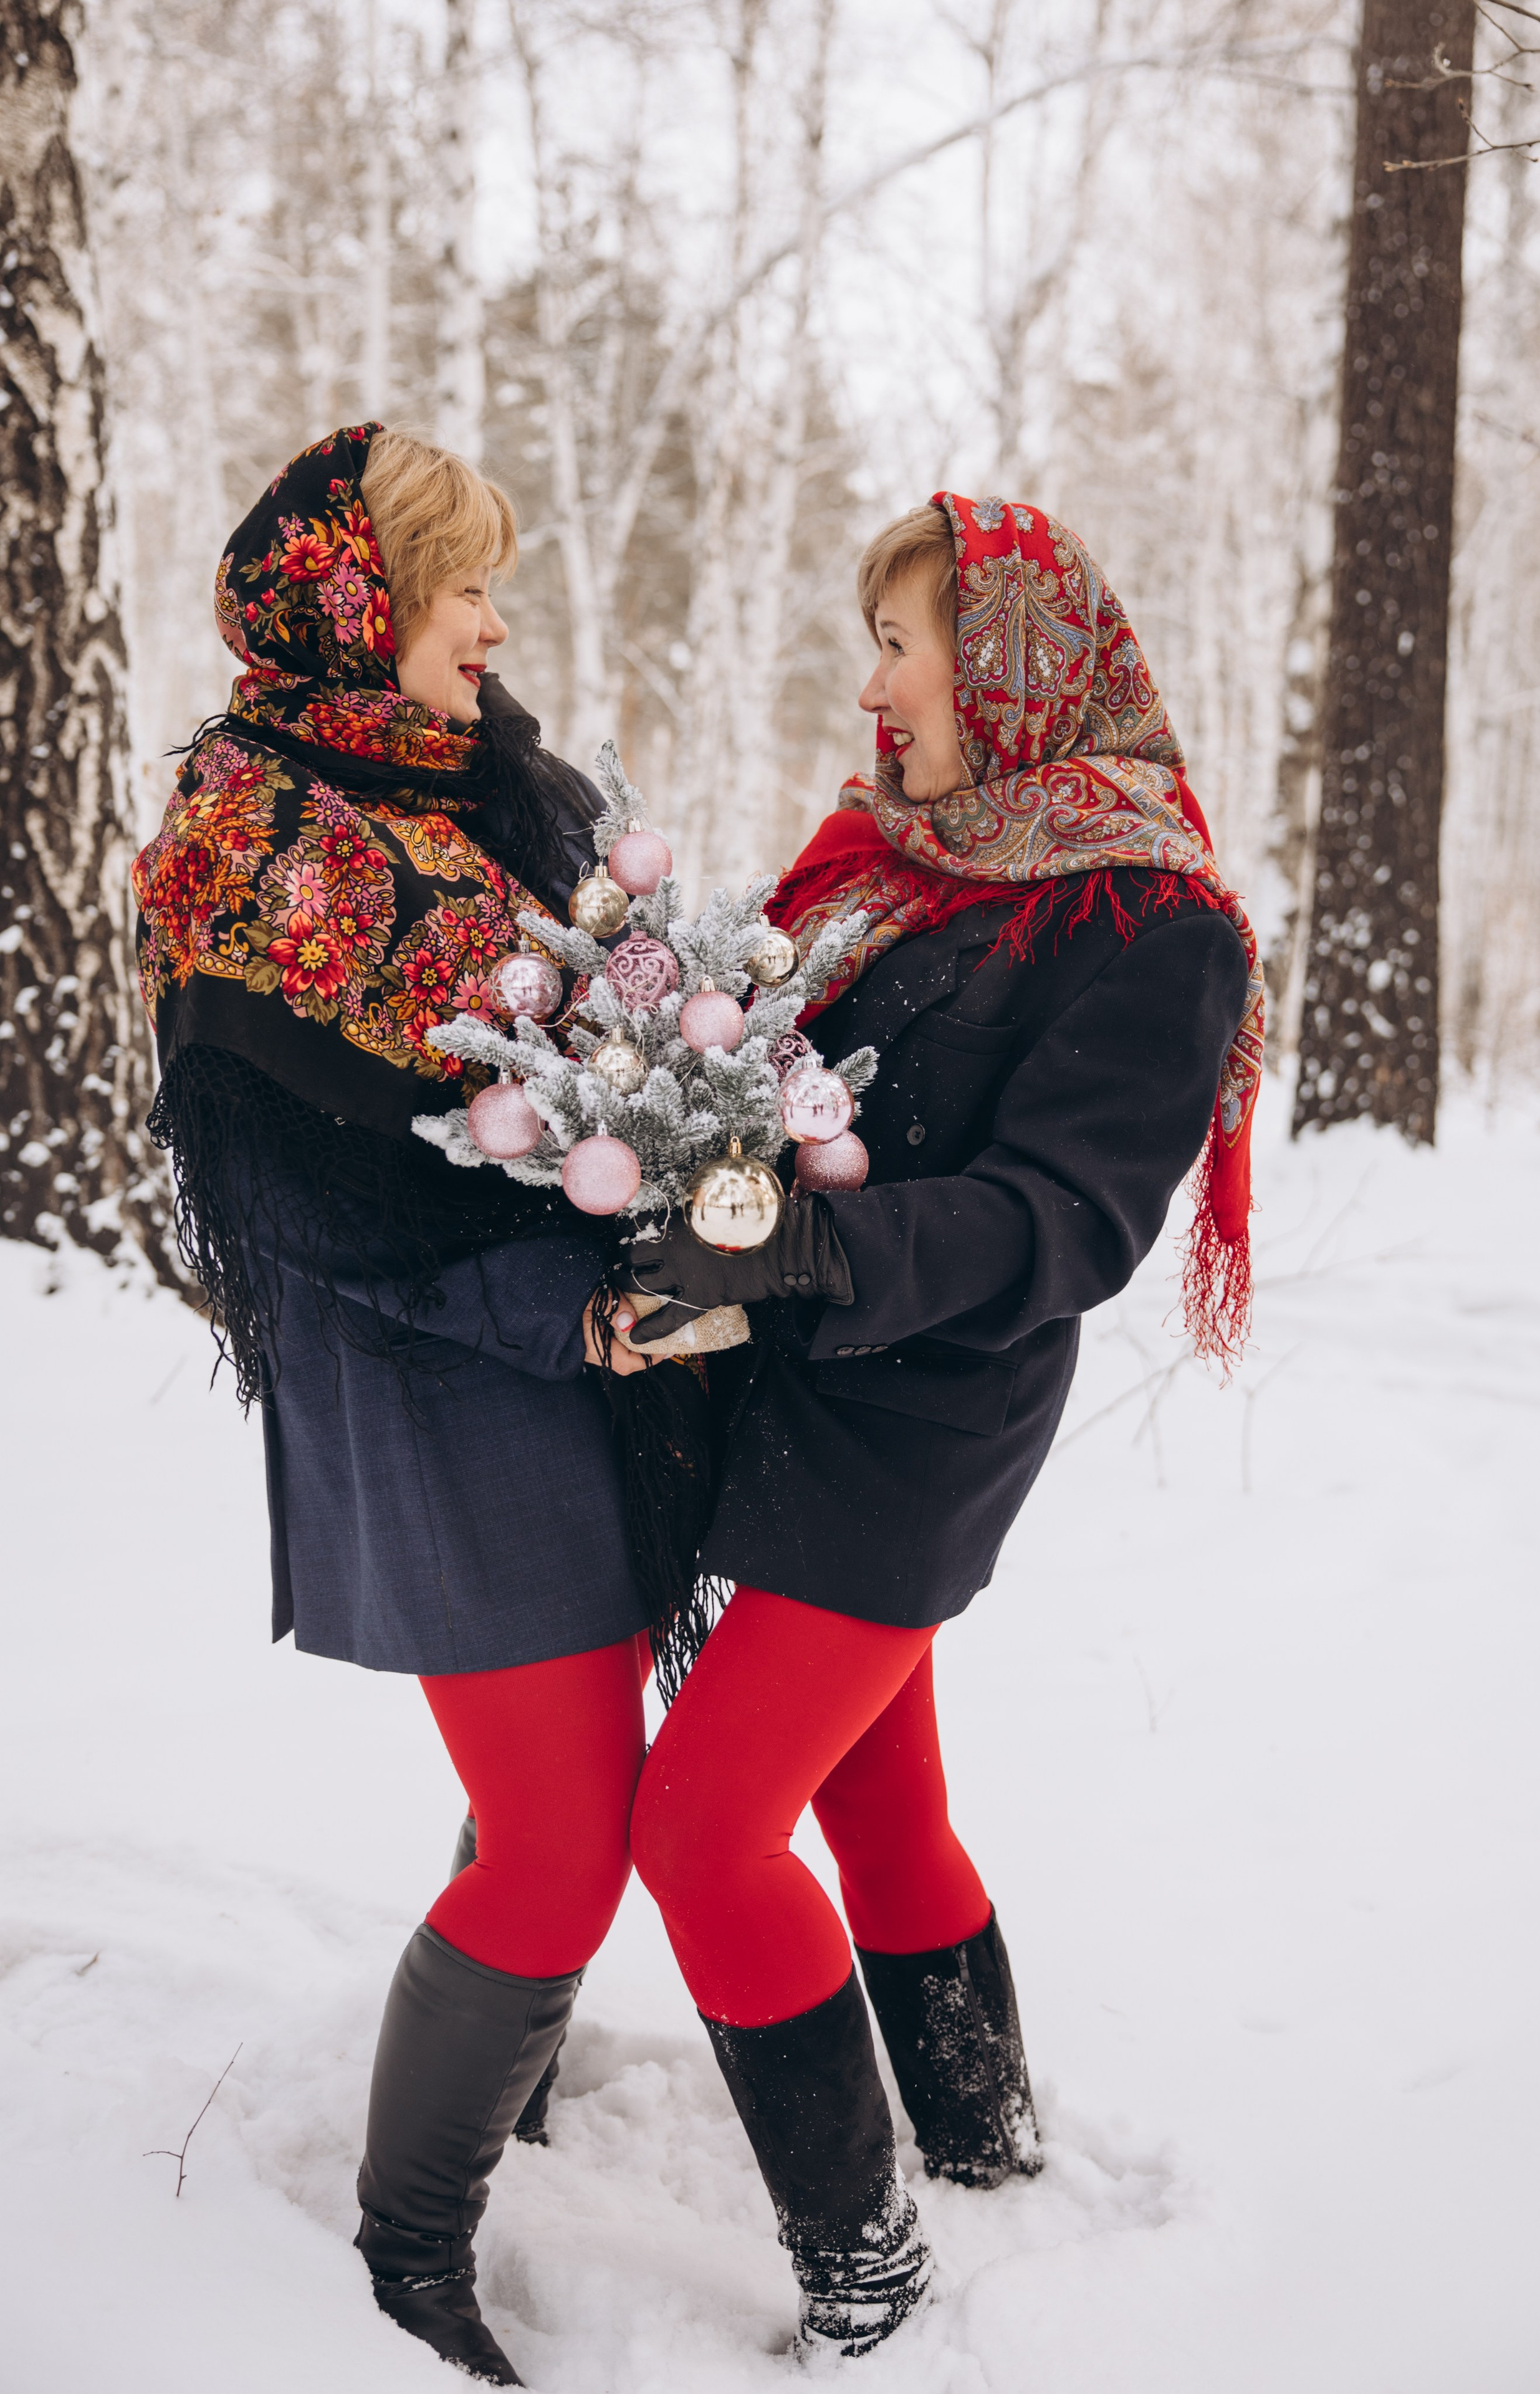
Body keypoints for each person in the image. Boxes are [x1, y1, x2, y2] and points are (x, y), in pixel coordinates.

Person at [622, 494, 1262, 2354]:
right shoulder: (891, 862)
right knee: (879, 1797)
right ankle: (985, 2139)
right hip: (780, 1386)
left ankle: (865, 2265)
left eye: (902, 644)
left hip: (920, 1430)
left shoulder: (1148, 921)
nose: (875, 684)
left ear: (1007, 667)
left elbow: (1069, 1218)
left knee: (704, 1833)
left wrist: (807, 1244)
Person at [132, 423, 653, 2388]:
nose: (495, 627)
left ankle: (508, 2073)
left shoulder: (498, 784)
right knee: (560, 1833)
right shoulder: (246, 834)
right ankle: (409, 2248)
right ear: (358, 607)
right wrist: (562, 1307)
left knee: (562, 1785)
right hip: (427, 1365)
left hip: (568, 1348)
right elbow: (303, 1203)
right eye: (462, 590)